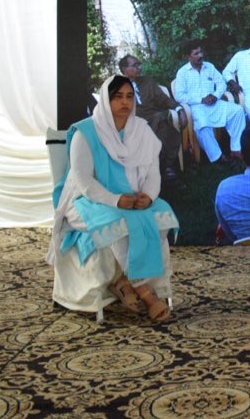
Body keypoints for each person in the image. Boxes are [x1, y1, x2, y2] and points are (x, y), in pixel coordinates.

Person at [48, 75, 179, 322]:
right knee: (122, 223)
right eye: (117, 96)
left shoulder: (141, 130)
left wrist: (149, 197)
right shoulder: (85, 132)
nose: (125, 102)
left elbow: (153, 173)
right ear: (106, 99)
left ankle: (122, 282)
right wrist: (115, 199)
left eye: (129, 96)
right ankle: (146, 293)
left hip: (131, 200)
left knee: (162, 217)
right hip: (84, 202)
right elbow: (84, 181)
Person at [172, 42, 247, 165]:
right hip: (197, 107)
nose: (201, 55)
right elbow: (179, 95)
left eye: (201, 52)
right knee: (202, 124)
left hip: (215, 103)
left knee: (237, 111)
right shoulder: (182, 72)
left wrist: (215, 95)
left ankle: (236, 149)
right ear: (188, 57)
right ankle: (218, 157)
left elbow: (222, 83)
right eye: (196, 53)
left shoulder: (209, 67)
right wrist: (201, 99)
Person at [119, 55, 186, 181]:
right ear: (124, 69)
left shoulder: (148, 81)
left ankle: (164, 167)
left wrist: (179, 109)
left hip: (153, 117)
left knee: (161, 121)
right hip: (134, 121)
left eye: (139, 64)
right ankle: (167, 167)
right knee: (161, 125)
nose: (139, 68)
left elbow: (163, 98)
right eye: (135, 65)